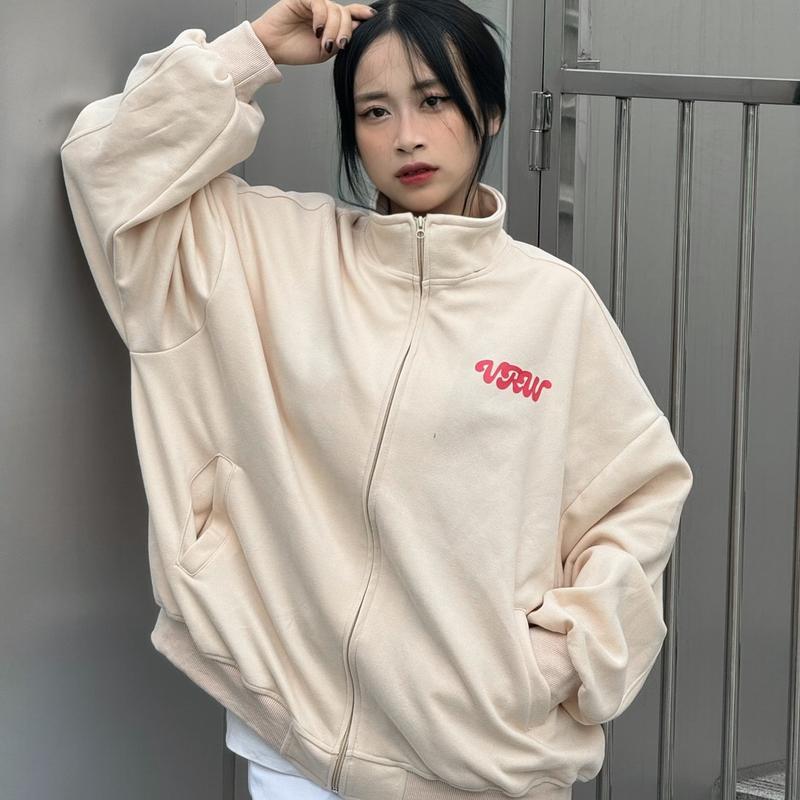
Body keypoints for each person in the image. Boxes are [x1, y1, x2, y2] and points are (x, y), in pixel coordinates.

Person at [60, 0, 694, 798]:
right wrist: (254, 50)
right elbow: (105, 164)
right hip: (296, 746)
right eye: (374, 111)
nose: (406, 137)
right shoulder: (267, 252)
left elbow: (636, 499)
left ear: (491, 111)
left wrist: (554, 662)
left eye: (434, 101)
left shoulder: (554, 307)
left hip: (480, 759)